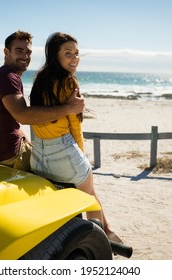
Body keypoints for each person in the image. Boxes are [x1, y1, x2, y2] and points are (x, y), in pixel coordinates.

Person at [29, 32, 123, 244]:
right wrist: (81, 156)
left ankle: (104, 232)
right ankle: (104, 237)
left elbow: (35, 119)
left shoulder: (40, 81)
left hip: (38, 159)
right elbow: (75, 126)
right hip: (63, 155)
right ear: (56, 55)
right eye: (68, 53)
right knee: (90, 197)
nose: (74, 59)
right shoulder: (69, 83)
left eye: (77, 53)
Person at [0, 31, 84, 171]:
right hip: (7, 155)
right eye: (19, 51)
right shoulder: (7, 77)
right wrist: (69, 108)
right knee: (55, 165)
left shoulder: (3, 75)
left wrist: (24, 138)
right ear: (6, 52)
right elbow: (23, 115)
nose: (25, 56)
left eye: (29, 52)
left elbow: (12, 119)